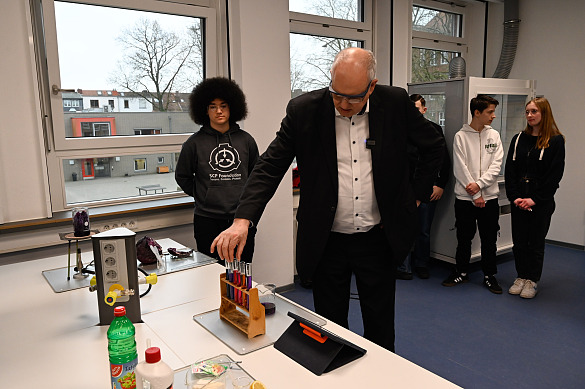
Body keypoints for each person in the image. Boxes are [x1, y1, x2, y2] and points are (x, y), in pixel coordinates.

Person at [210, 48, 444, 352]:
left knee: (380, 322)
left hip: (379, 237)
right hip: (326, 239)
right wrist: (243, 219)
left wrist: (414, 196)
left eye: (354, 98)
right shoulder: (304, 109)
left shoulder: (395, 103)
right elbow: (270, 165)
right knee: (329, 328)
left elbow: (434, 145)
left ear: (371, 87)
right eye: (337, 94)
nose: (344, 105)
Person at [175, 77, 259, 264]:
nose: (219, 111)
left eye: (223, 105)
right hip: (207, 220)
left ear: (233, 107)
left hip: (241, 219)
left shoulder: (246, 141)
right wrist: (203, 195)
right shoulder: (194, 143)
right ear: (205, 110)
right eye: (213, 106)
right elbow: (183, 177)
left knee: (242, 270)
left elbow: (256, 178)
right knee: (212, 272)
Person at [443, 95, 504, 294]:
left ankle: (489, 275)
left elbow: (496, 165)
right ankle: (461, 271)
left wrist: (479, 186)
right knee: (464, 237)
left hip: (489, 198)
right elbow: (460, 168)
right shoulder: (461, 136)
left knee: (489, 239)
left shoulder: (494, 136)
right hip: (465, 199)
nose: (493, 116)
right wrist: (474, 194)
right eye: (490, 112)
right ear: (476, 113)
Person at [505, 97, 565, 299]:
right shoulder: (518, 139)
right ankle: (521, 276)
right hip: (518, 200)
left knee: (535, 243)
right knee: (519, 242)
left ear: (544, 114)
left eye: (534, 112)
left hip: (541, 202)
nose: (529, 115)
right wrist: (514, 197)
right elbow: (510, 171)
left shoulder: (555, 141)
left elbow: (554, 177)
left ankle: (532, 280)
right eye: (527, 111)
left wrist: (535, 199)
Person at [396, 94, 451, 280]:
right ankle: (403, 267)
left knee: (423, 229)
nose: (413, 113)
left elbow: (443, 160)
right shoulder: (398, 130)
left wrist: (440, 185)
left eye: (417, 109)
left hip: (428, 188)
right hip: (404, 188)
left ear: (424, 110)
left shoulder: (434, 130)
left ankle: (421, 263)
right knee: (402, 228)